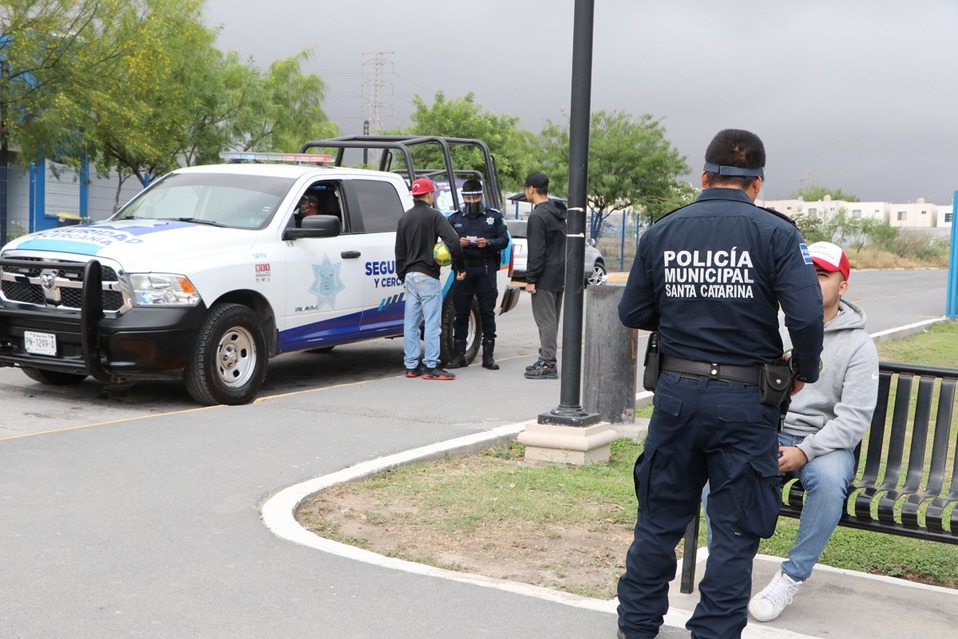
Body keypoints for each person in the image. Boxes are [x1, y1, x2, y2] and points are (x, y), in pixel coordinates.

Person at [615, 129, 825, 639]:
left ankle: (636, 626)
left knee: (658, 519)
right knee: (735, 528)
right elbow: (806, 316)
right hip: (746, 401)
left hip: (676, 396)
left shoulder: (664, 230)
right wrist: (803, 371)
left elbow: (633, 311)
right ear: (757, 184)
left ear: (705, 177)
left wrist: (684, 315)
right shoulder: (777, 233)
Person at [746, 241, 879, 622]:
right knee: (723, 469)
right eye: (806, 274)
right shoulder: (775, 329)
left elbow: (853, 419)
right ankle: (733, 563)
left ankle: (791, 577)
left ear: (843, 285)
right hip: (771, 432)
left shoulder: (858, 345)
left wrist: (804, 451)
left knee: (829, 483)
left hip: (825, 444)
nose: (811, 282)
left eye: (822, 275)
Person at [395, 177, 464, 381]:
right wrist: (460, 266)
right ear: (430, 194)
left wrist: (402, 275)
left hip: (410, 276)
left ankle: (411, 366)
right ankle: (432, 366)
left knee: (411, 324)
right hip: (427, 275)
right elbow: (453, 240)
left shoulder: (404, 218)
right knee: (433, 323)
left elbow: (399, 251)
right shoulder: (434, 215)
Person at [446, 178, 509, 370]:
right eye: (468, 198)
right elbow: (445, 241)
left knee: (487, 312)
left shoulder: (493, 217)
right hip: (463, 269)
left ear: (481, 196)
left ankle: (488, 357)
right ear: (463, 197)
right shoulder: (455, 218)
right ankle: (459, 356)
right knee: (461, 312)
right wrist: (458, 241)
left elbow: (504, 240)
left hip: (486, 269)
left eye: (475, 197)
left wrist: (488, 243)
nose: (471, 201)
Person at [522, 171, 566, 380]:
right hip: (560, 273)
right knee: (552, 319)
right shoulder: (557, 212)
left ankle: (548, 362)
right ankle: (546, 357)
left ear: (531, 189)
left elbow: (537, 251)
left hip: (545, 275)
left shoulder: (538, 215)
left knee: (545, 320)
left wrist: (531, 279)